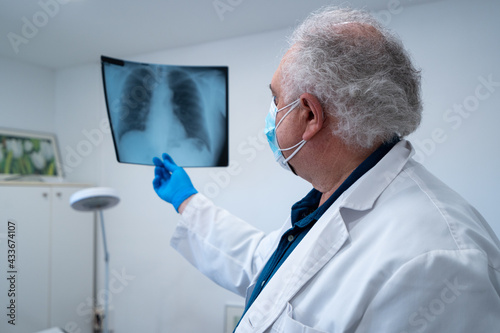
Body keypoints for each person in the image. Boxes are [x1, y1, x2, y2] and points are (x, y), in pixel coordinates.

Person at [152, 6, 500, 333]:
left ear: (310, 115)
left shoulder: (436, 261)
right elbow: (265, 263)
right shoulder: (335, 198)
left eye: (275, 100)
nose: (271, 113)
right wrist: (188, 200)